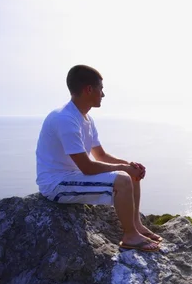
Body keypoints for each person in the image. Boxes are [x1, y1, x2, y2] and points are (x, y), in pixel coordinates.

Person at [36, 64, 161, 252]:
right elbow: (87, 167)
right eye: (101, 89)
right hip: (56, 184)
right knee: (122, 180)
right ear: (89, 89)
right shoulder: (65, 119)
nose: (103, 94)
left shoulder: (85, 118)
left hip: (72, 176)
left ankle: (136, 225)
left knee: (130, 175)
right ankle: (130, 236)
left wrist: (129, 165)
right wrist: (123, 169)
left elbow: (100, 155)